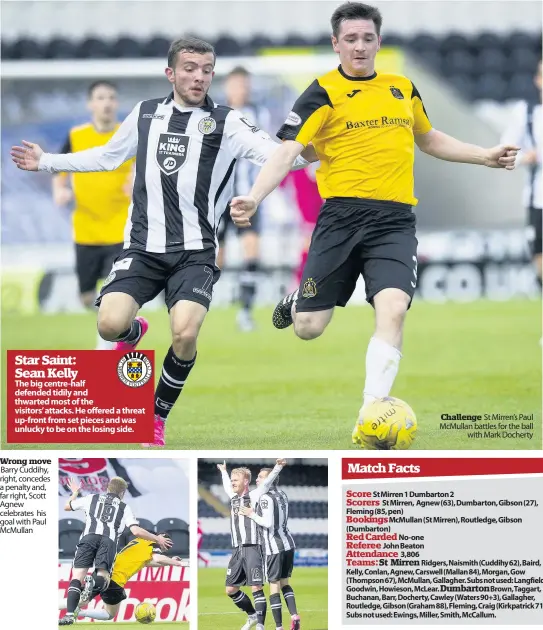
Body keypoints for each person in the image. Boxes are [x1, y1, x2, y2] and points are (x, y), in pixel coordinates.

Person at [229, 1, 520, 443]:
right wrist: (254, 196)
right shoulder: (321, 92)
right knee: (309, 327)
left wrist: (484, 155)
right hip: (341, 218)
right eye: (351, 39)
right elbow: (287, 152)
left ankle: (370, 413)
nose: (360, 46)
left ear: (378, 41)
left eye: (368, 38)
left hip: (395, 221)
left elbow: (429, 137)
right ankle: (298, 302)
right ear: (336, 43)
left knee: (393, 308)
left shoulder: (401, 87)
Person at [11, 37, 317, 447]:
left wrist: (324, 145)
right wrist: (47, 161)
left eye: (207, 69)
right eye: (190, 68)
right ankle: (133, 330)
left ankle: (155, 417)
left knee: (185, 334)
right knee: (109, 323)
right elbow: (107, 157)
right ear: (170, 73)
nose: (199, 76)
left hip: (196, 252)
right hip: (142, 248)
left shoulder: (226, 121)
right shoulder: (146, 114)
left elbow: (282, 156)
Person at [52, 81, 134, 350]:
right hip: (86, 230)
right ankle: (130, 331)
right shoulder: (76, 136)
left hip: (120, 229)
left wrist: (136, 180)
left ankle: (105, 348)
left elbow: (146, 165)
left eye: (111, 97)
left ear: (117, 103)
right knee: (87, 297)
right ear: (91, 104)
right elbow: (58, 169)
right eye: (100, 98)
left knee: (113, 294)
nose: (107, 103)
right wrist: (60, 191)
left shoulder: (128, 133)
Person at [58, 477, 172, 625]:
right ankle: (95, 583)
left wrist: (74, 492)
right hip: (108, 541)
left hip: (88, 538)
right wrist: (157, 538)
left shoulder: (91, 498)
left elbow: (67, 506)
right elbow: (136, 530)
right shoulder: (125, 507)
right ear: (123, 492)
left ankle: (68, 614)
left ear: (107, 489)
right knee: (103, 576)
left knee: (77, 577)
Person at [217, 66, 272, 331]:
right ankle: (199, 305)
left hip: (249, 196)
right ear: (228, 87)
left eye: (245, 85)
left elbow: (271, 150)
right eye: (237, 85)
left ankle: (246, 312)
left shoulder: (260, 114)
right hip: (218, 198)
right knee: (216, 258)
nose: (242, 90)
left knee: (252, 251)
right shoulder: (214, 114)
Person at [218, 458, 287, 630]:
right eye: (232, 480)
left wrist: (278, 466)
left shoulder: (255, 495)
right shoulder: (233, 497)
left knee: (256, 586)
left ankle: (261, 626)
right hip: (237, 549)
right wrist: (224, 472)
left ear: (246, 481)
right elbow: (227, 485)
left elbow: (268, 482)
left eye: (236, 480)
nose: (233, 483)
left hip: (253, 548)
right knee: (230, 590)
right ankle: (252, 615)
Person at [58, 535, 187, 622]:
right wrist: (179, 563)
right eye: (167, 543)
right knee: (109, 614)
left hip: (103, 572)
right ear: (161, 537)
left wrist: (171, 560)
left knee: (80, 600)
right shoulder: (153, 544)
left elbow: (149, 562)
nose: (166, 547)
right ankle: (80, 614)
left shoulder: (138, 542)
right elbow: (158, 558)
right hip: (115, 581)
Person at [500, 59, 542, 291]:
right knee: (539, 253)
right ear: (538, 80)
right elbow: (505, 151)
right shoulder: (525, 113)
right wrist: (527, 157)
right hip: (538, 198)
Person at [240, 467, 299, 630]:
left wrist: (251, 513)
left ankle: (279, 627)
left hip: (274, 546)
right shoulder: (283, 494)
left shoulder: (265, 498)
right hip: (288, 543)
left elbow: (267, 523)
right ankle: (294, 615)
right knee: (285, 583)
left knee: (274, 587)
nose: (257, 479)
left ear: (269, 480)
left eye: (260, 477)